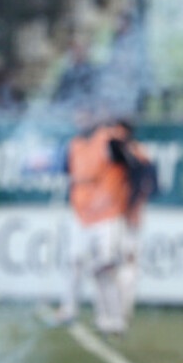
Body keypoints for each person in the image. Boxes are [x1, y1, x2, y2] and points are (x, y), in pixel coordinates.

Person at [53, 119, 132, 336]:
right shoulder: (75, 145)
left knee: (104, 269)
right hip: (82, 215)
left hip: (107, 216)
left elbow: (129, 163)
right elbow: (65, 171)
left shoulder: (109, 141)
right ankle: (69, 308)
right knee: (74, 262)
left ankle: (114, 318)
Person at [113, 119, 156, 327]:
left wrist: (136, 207)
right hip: (112, 214)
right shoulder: (115, 152)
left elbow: (149, 183)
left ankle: (123, 311)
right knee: (112, 264)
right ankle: (114, 311)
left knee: (128, 262)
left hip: (129, 214)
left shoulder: (138, 152)